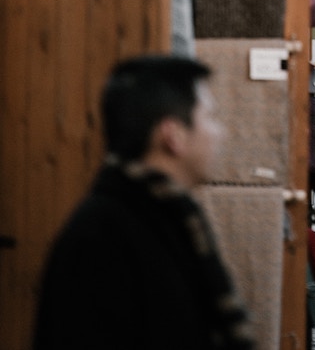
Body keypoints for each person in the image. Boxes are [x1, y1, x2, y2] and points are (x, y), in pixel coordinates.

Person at [33, 54, 255, 350]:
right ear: (173, 135)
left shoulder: (169, 216)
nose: (220, 133)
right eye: (210, 118)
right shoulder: (102, 235)